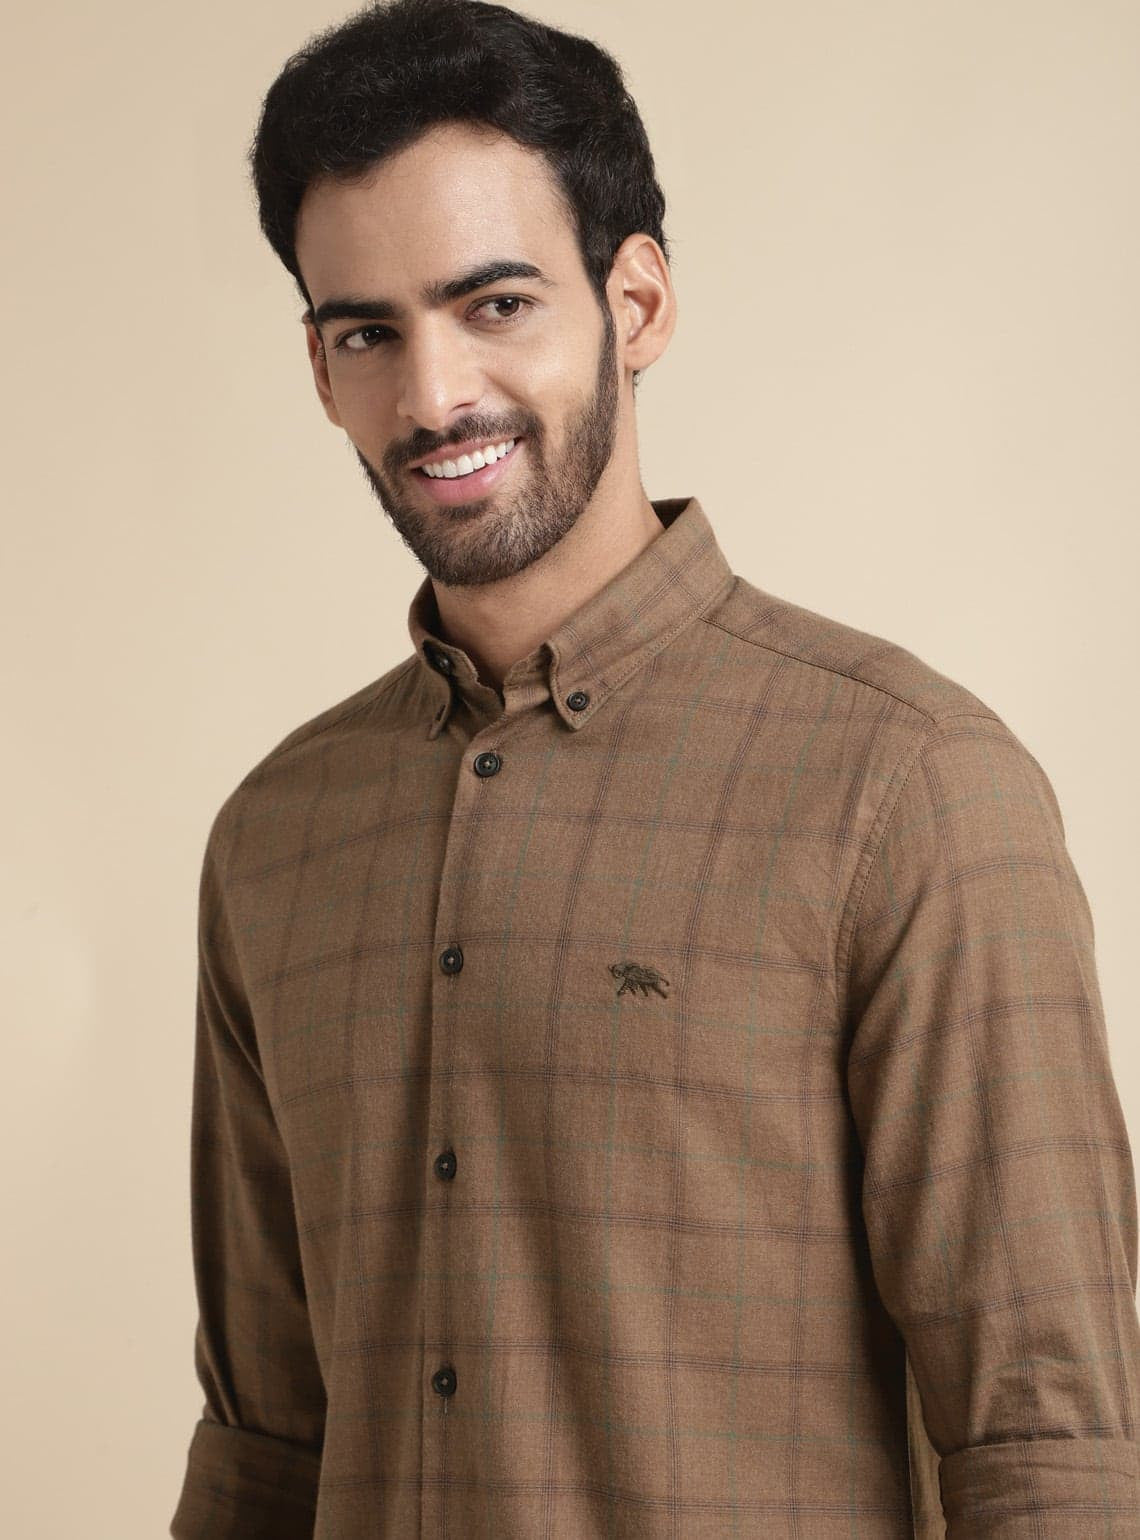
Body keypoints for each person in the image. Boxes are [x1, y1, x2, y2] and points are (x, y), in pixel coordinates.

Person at [169, 1, 1140, 1534]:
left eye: (495, 304)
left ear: (636, 302)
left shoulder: (906, 788)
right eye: (369, 333)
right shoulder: (277, 835)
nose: (434, 396)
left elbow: (1051, 1455)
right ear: (319, 367)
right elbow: (265, 1446)